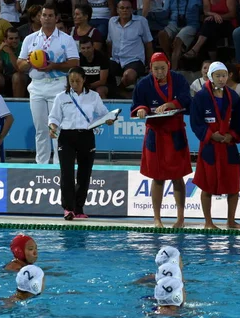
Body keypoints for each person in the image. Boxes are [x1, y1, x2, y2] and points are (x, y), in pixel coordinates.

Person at [131, 53, 192, 228]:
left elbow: (186, 99)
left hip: (175, 133)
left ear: (168, 66)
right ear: (151, 68)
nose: (159, 72)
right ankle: (157, 218)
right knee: (157, 178)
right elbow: (136, 104)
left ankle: (180, 218)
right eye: (156, 69)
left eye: (162, 68)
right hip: (155, 134)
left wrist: (171, 104)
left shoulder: (179, 80)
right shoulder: (143, 84)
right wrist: (141, 109)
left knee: (177, 177)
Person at [48, 67, 114, 220]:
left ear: (84, 80)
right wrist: (52, 128)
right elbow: (54, 118)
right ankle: (68, 209)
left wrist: (110, 119)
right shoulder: (61, 97)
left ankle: (79, 209)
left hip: (86, 136)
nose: (74, 84)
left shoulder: (93, 96)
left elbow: (104, 114)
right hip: (66, 136)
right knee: (67, 174)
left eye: (78, 81)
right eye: (71, 81)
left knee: (84, 174)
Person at [17, 3, 79, 165]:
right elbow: (20, 64)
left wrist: (54, 66)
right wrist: (29, 62)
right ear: (40, 17)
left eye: (50, 15)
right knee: (41, 129)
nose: (47, 18)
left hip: (57, 85)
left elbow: (74, 63)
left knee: (56, 128)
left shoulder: (66, 39)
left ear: (56, 17)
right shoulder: (30, 39)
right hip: (36, 86)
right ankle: (41, 165)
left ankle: (60, 165)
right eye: (44, 15)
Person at [190, 62, 240, 230]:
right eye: (218, 76)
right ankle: (208, 222)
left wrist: (232, 135)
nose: (222, 79)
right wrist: (210, 134)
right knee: (207, 185)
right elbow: (196, 122)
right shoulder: (201, 97)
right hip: (210, 147)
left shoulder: (233, 97)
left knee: (233, 185)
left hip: (228, 146)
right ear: (210, 77)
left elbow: (239, 122)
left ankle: (231, 221)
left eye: (224, 75)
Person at [107, 0, 154, 98]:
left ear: (132, 10)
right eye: (122, 8)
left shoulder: (141, 21)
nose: (125, 10)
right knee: (102, 70)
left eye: (128, 8)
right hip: (116, 60)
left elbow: (148, 44)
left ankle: (117, 91)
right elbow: (109, 42)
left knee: (129, 76)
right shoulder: (112, 22)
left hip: (134, 60)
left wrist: (150, 65)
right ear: (117, 10)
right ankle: (121, 93)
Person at [158, 0, 202, 70]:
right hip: (174, 23)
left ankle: (173, 70)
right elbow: (164, 13)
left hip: (191, 24)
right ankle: (170, 60)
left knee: (178, 40)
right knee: (162, 34)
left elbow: (204, 11)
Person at [0, 27, 26, 97]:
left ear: (19, 38)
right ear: (5, 40)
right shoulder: (0, 48)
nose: (14, 41)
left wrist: (10, 53)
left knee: (17, 76)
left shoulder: (24, 47)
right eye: (11, 38)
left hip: (23, 77)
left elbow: (19, 69)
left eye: (16, 38)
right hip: (5, 77)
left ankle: (18, 104)